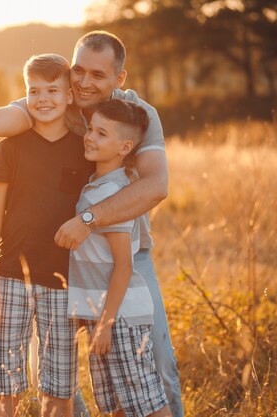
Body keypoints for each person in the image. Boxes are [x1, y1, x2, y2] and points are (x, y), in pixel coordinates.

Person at [0, 30, 184, 417]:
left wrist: (89, 219)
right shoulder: (51, 99)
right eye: (79, 70)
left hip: (121, 258)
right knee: (62, 375)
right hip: (60, 266)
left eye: (98, 75)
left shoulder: (135, 115)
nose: (84, 82)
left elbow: (157, 185)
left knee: (150, 368)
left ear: (120, 79)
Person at [0, 53, 92, 417]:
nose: (43, 99)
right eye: (34, 90)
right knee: (3, 383)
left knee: (59, 387)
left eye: (52, 90)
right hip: (10, 278)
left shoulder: (85, 150)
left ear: (69, 95)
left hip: (64, 283)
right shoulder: (9, 147)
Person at [68, 98, 171, 417]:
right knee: (116, 406)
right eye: (91, 129)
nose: (90, 137)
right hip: (104, 316)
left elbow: (124, 267)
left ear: (125, 146)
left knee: (148, 403)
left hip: (120, 317)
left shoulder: (116, 194)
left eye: (102, 134)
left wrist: (106, 324)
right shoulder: (95, 186)